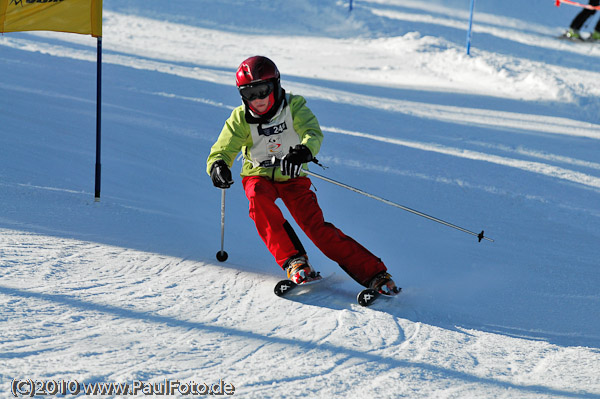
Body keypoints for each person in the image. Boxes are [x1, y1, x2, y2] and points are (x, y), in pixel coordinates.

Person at [206, 55, 399, 295]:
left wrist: (303, 152)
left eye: (262, 90)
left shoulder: (294, 107)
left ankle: (376, 274)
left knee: (315, 228)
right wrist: (218, 165)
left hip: (292, 176)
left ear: (275, 85)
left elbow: (312, 132)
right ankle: (295, 261)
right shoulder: (240, 118)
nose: (258, 100)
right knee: (257, 197)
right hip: (258, 175)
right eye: (249, 94)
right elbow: (223, 148)